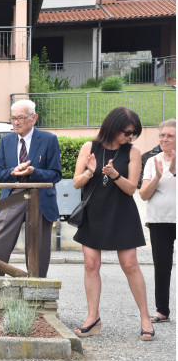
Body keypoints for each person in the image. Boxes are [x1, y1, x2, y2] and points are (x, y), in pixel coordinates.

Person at [72, 106, 154, 340]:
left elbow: (131, 189)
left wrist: (114, 174)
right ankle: (93, 317)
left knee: (130, 265)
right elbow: (76, 183)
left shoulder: (133, 152)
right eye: (127, 132)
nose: (130, 137)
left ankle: (145, 317)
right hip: (94, 212)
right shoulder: (90, 147)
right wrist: (90, 172)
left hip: (121, 213)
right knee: (90, 264)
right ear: (113, 127)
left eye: (133, 133)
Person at [0, 99, 61, 278]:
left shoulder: (49, 140)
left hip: (39, 196)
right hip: (14, 194)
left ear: (33, 118)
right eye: (13, 118)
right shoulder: (6, 141)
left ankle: (37, 291)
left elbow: (56, 174)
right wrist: (14, 171)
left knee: (38, 248)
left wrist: (34, 172)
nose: (16, 122)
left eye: (21, 118)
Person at [140, 118, 176, 324]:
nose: (164, 138)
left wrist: (174, 170)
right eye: (162, 135)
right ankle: (162, 311)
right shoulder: (152, 162)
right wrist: (157, 177)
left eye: (169, 135)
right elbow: (144, 194)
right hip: (160, 220)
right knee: (162, 266)